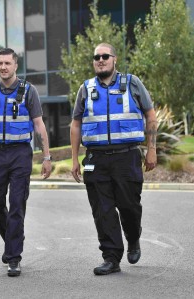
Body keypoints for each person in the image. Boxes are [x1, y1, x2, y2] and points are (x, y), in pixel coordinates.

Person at [70, 43, 158, 275]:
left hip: (126, 157)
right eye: (96, 56)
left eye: (105, 56)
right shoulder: (85, 89)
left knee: (129, 206)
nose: (100, 59)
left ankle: (133, 236)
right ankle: (111, 257)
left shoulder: (132, 83)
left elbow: (150, 115)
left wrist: (152, 148)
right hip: (95, 160)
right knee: (103, 210)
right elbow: (76, 124)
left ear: (114, 59)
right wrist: (73, 159)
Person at [0, 48, 52, 277]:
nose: (3, 67)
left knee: (17, 204)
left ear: (16, 65)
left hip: (20, 155)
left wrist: (46, 157)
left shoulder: (28, 91)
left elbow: (39, 125)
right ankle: (12, 238)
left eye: (7, 63)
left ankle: (13, 256)